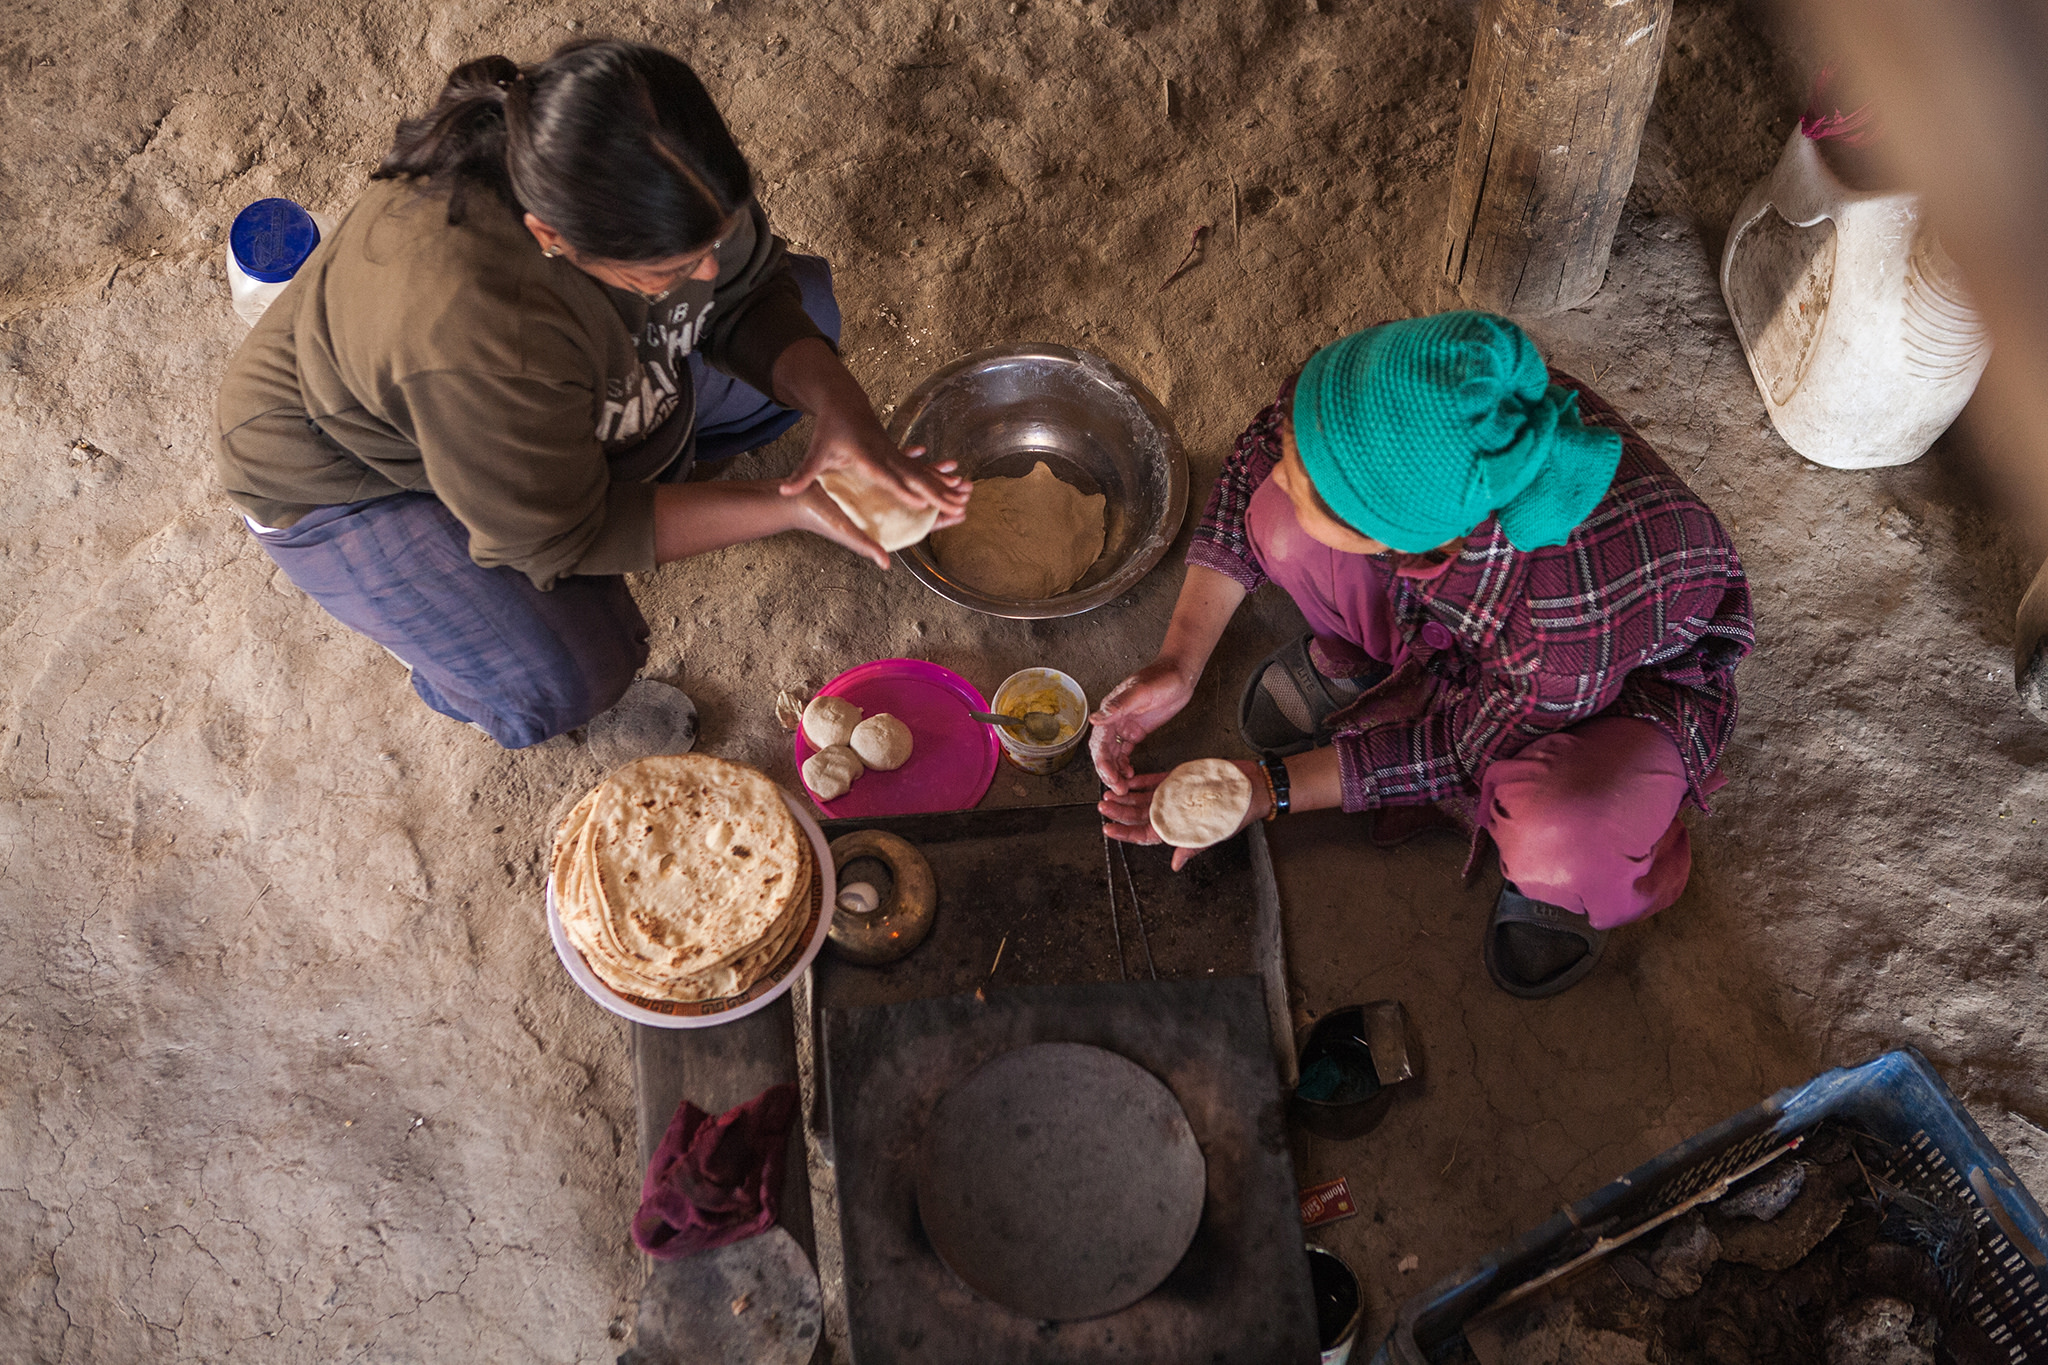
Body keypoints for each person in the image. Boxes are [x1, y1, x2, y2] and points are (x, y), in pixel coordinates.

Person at [214, 41, 968, 748]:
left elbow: (741, 288)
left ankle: (588, 473)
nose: (707, 272)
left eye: (714, 237)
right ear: (553, 236)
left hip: (519, 409)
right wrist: (791, 504)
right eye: (674, 264)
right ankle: (457, 659)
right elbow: (562, 538)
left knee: (808, 326)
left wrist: (842, 406)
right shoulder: (472, 330)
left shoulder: (642, 165)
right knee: (579, 668)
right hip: (350, 482)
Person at [1093, 312, 1753, 998]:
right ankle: (1374, 663)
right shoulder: (1414, 396)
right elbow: (1263, 447)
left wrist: (1270, 788)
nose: (1277, 468)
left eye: (1307, 477)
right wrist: (1180, 661)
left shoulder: (1563, 623)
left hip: (1618, 685)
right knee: (1277, 518)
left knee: (1549, 829)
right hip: (1497, 624)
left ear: (1409, 547)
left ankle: (1605, 863)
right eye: (1300, 453)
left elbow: (1459, 748)